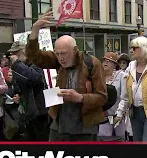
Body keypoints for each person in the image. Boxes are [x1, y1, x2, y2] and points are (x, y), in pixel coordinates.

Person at [26, 8, 107, 141]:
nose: (60, 58)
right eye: (57, 54)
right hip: (59, 126)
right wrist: (35, 30)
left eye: (63, 53)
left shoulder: (92, 63)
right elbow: (34, 56)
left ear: (75, 50)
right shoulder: (57, 61)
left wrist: (80, 98)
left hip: (84, 128)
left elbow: (102, 97)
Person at [8, 41, 49, 141]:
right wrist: (19, 96)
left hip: (39, 114)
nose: (13, 56)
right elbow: (20, 86)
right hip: (28, 114)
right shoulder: (21, 67)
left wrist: (17, 64)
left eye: (15, 53)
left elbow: (35, 78)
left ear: (23, 51)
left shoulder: (35, 64)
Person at [98, 52, 126, 141]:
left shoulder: (121, 76)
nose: (105, 63)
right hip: (104, 116)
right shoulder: (98, 77)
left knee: (119, 138)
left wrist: (121, 112)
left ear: (114, 64)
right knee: (104, 137)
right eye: (104, 61)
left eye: (108, 61)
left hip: (118, 115)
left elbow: (125, 96)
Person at [117, 53, 133, 141]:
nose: (122, 65)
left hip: (127, 103)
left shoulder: (128, 74)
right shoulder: (116, 74)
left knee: (129, 127)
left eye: (124, 63)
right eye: (121, 63)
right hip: (120, 103)